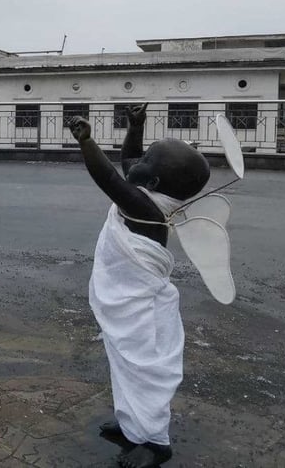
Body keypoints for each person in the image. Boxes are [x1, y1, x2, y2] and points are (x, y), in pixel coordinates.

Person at [66, 104, 210, 468]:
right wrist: (136, 125)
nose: (138, 160)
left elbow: (108, 179)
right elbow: (129, 157)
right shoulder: (147, 189)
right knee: (122, 361)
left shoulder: (147, 208)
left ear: (155, 182)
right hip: (128, 304)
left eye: (148, 158)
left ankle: (155, 442)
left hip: (138, 309)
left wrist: (87, 142)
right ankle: (133, 424)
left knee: (141, 367)